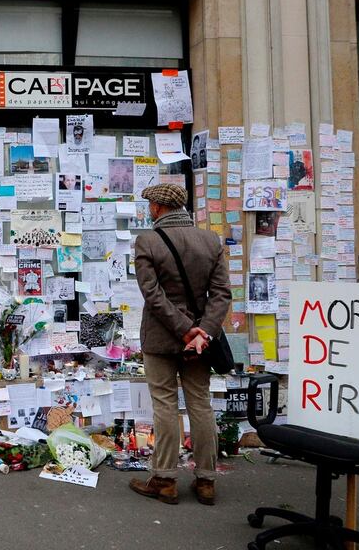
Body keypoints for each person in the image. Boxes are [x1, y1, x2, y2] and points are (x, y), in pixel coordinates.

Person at [129, 183, 231, 506]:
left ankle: (165, 479)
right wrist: (203, 332)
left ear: (158, 208)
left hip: (161, 339)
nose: (149, 211)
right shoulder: (210, 241)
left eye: (151, 206)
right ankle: (205, 480)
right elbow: (221, 294)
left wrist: (185, 330)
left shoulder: (148, 241)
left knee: (164, 405)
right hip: (199, 342)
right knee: (200, 403)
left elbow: (153, 296)